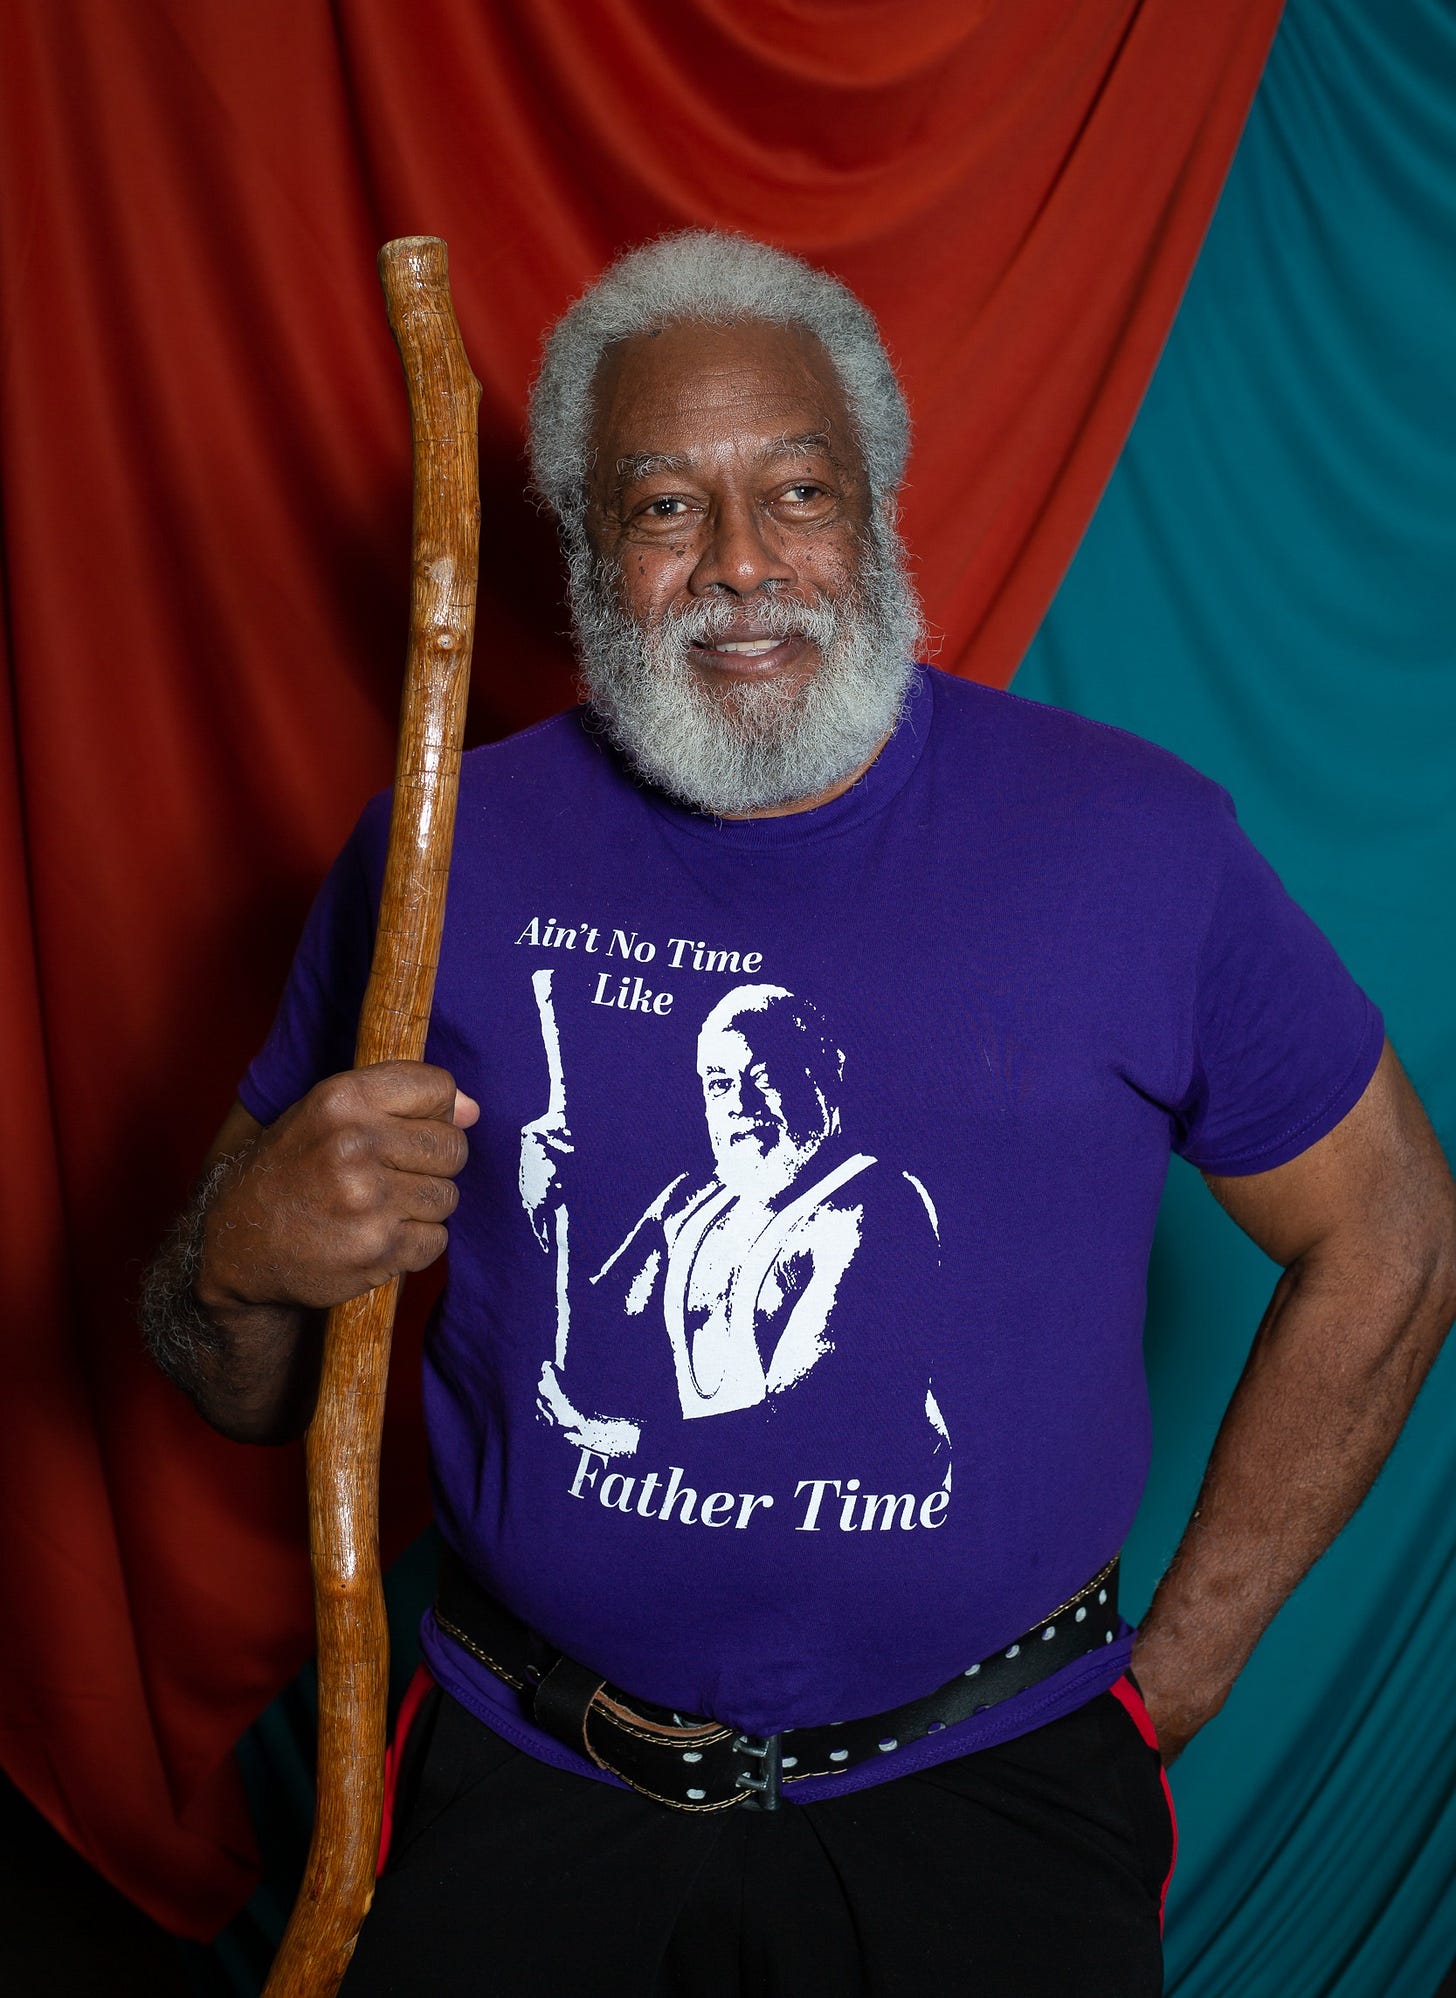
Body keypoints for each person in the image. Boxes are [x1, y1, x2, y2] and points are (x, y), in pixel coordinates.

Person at [142, 231, 1456, 1996]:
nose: (742, 565)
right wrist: (238, 1266)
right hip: (531, 1787)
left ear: (881, 505)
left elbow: (1390, 1230)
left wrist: (1182, 1668)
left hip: (987, 1809)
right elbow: (229, 1385)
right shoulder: (437, 855)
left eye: (799, 488)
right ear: (590, 552)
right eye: (666, 505)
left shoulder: (1135, 847)